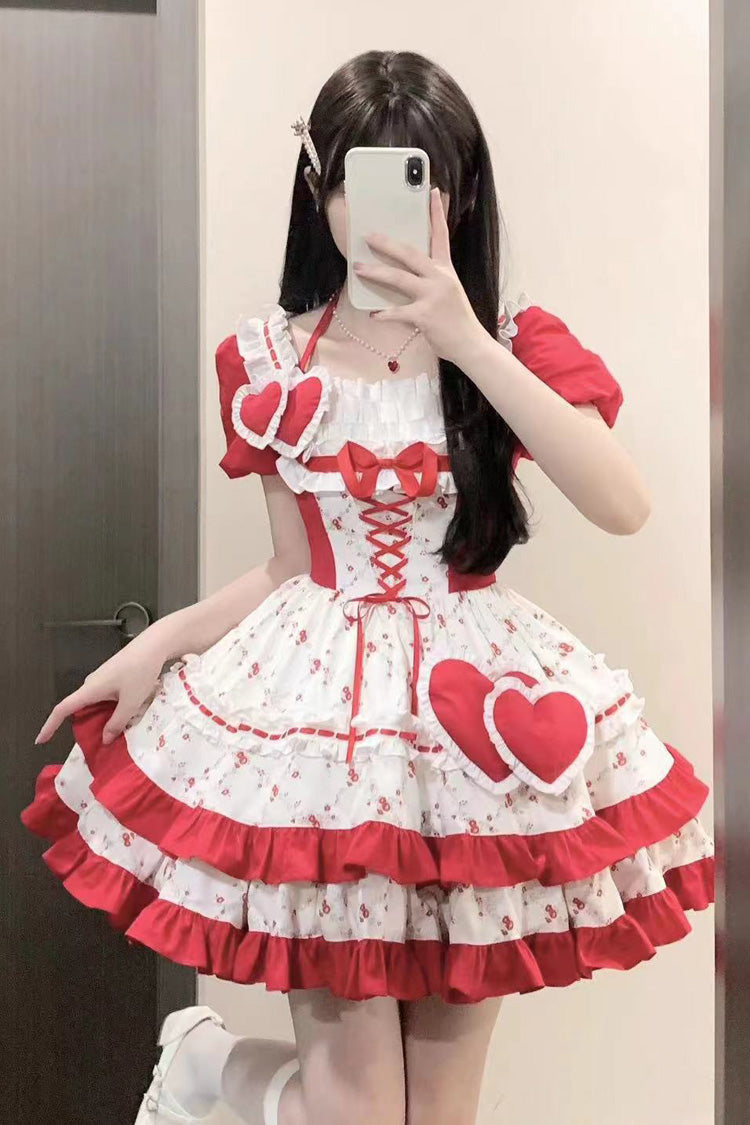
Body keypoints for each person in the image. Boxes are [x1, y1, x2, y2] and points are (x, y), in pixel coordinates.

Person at [24, 48, 714, 1125]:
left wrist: (464, 338)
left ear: (461, 195)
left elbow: (622, 503)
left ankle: (210, 1070)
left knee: (436, 1115)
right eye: (356, 178)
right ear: (319, 187)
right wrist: (156, 646)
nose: (380, 209)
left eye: (419, 177)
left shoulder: (512, 344)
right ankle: (210, 1066)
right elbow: (292, 569)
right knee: (353, 1111)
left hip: (469, 742)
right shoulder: (270, 362)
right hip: (326, 744)